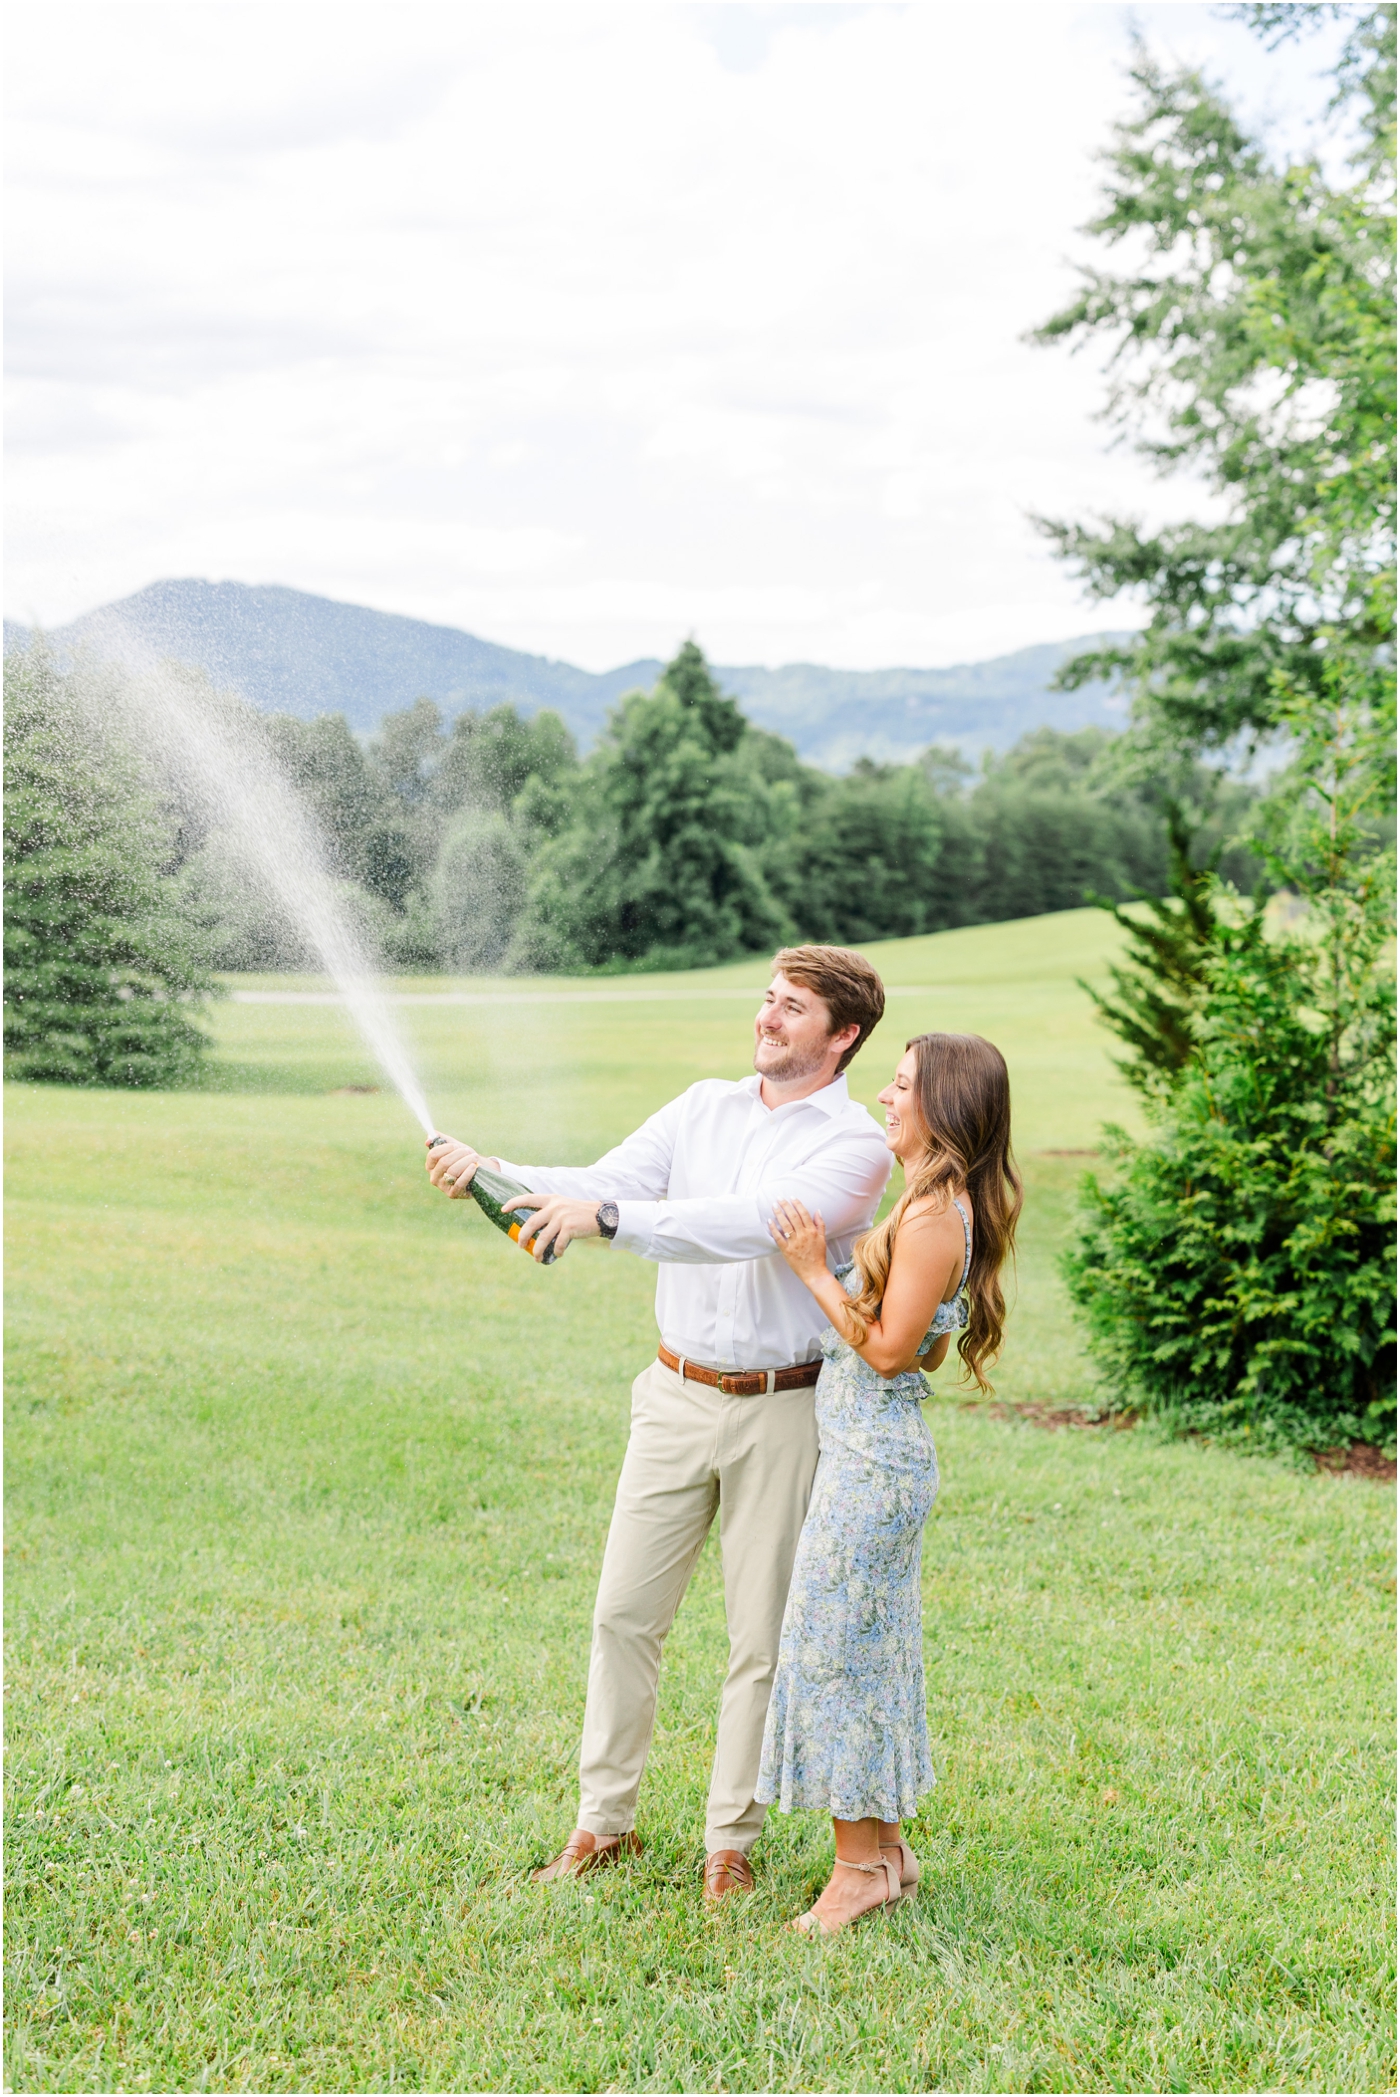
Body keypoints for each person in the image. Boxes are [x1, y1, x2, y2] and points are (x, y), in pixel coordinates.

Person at [424, 945, 891, 1901]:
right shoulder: (702, 1105)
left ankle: (731, 1846)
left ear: (842, 1036)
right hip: (674, 1394)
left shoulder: (856, 1148)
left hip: (784, 1405)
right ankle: (604, 1827)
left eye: (793, 1008)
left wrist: (608, 1218)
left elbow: (748, 1220)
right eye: (767, 999)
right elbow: (604, 1178)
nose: (766, 1017)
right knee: (622, 1614)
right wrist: (494, 1169)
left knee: (758, 1640)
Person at [756, 1031, 1021, 1934]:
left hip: (874, 1467)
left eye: (901, 1085)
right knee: (868, 1657)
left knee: (836, 1660)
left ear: (942, 1104)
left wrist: (808, 1273)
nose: (883, 1095)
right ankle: (888, 1851)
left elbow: (893, 1351)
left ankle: (857, 1868)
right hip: (877, 1458)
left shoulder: (934, 1214)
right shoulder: (934, 1204)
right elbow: (931, 1338)